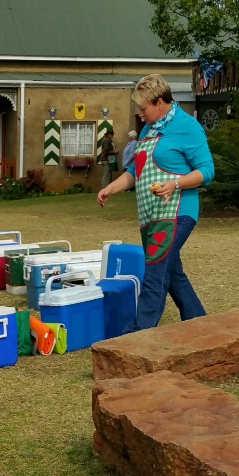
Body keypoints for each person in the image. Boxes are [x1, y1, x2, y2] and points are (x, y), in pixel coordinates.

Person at [97, 73, 214, 331]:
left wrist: (176, 184)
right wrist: (111, 188)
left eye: (143, 108)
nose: (140, 114)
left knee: (155, 272)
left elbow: (206, 170)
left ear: (160, 103)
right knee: (172, 275)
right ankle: (200, 325)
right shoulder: (150, 129)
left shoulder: (188, 126)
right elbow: (136, 172)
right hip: (151, 215)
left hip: (178, 212)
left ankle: (138, 334)